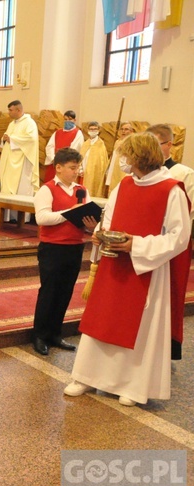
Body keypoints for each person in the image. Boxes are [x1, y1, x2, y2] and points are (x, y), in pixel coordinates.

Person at [64, 132, 191, 407]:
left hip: (146, 269)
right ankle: (86, 375)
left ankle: (132, 386)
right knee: (101, 318)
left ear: (140, 158)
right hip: (113, 263)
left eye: (127, 155)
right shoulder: (124, 185)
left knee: (139, 326)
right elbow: (108, 218)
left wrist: (137, 245)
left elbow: (179, 237)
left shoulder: (171, 190)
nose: (123, 161)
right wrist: (100, 233)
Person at [31, 148, 97, 355]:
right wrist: (71, 212)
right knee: (49, 291)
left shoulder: (81, 190)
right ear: (58, 168)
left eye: (78, 167)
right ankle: (40, 335)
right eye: (72, 167)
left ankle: (55, 334)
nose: (76, 171)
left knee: (65, 291)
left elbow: (85, 222)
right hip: (53, 248)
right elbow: (42, 218)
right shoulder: (47, 189)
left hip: (75, 246)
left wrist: (90, 224)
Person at [0, 100, 40, 222]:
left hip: (22, 161)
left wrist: (11, 139)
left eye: (10, 110)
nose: (9, 113)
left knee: (21, 186)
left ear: (18, 110)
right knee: (8, 186)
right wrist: (5, 138)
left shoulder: (29, 123)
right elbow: (6, 137)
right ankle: (8, 216)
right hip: (10, 160)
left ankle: (20, 218)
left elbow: (31, 139)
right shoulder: (12, 123)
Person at [146, 123, 194, 217]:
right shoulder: (138, 173)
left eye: (155, 145)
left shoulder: (184, 173)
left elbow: (189, 209)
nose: (149, 149)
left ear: (169, 144)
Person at [44, 110, 84, 184]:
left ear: (74, 120)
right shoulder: (57, 132)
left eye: (70, 119)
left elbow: (74, 149)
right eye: (65, 119)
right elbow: (49, 147)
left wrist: (62, 161)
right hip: (54, 164)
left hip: (67, 165)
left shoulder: (78, 133)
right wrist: (53, 159)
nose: (67, 121)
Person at [79, 121, 109, 198]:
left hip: (95, 173)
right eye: (91, 129)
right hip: (83, 173)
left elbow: (102, 162)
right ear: (88, 130)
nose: (93, 131)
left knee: (92, 192)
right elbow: (80, 158)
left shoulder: (101, 144)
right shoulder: (86, 143)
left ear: (98, 131)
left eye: (95, 129)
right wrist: (80, 169)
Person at [106, 121, 134, 193]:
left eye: (126, 129)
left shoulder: (133, 143)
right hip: (114, 171)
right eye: (122, 129)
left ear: (131, 131)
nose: (123, 131)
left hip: (124, 172)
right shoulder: (117, 142)